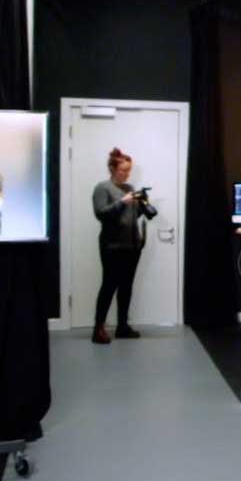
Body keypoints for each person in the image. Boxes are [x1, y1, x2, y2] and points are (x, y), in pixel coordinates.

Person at [91, 147, 152, 344]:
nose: (127, 173)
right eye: (123, 170)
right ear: (112, 168)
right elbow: (101, 213)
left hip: (132, 246)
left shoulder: (130, 188)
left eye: (129, 170)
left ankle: (122, 326)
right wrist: (123, 202)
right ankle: (98, 329)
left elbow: (132, 216)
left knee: (126, 286)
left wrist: (142, 205)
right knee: (109, 285)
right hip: (112, 246)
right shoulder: (102, 188)